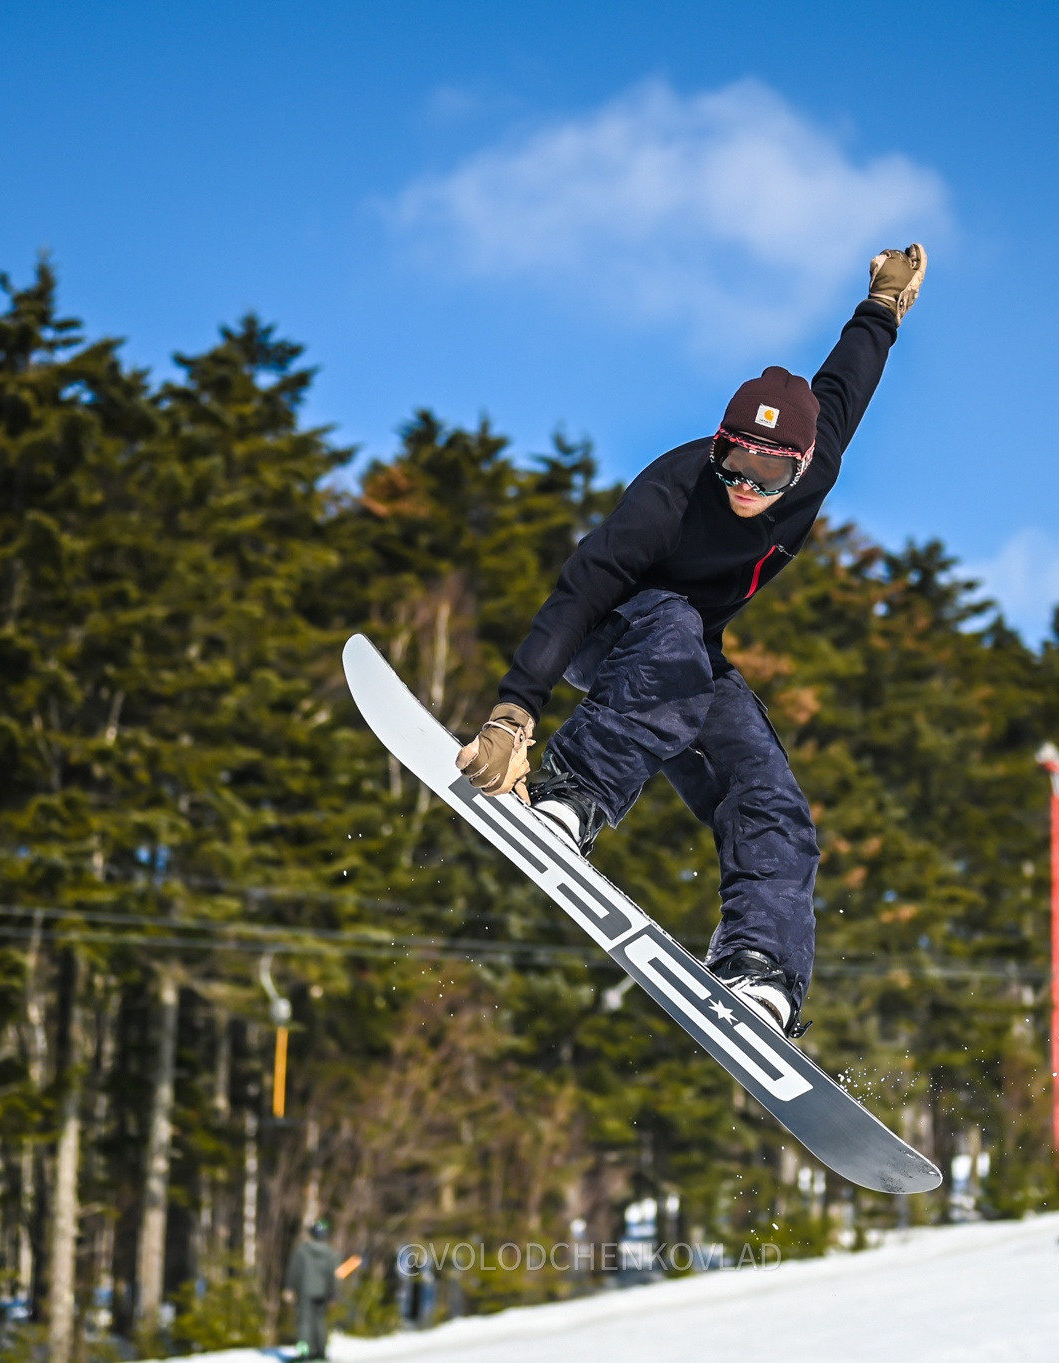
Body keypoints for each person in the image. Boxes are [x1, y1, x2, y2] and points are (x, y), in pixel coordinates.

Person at [455, 246, 927, 1039]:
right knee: (673, 628)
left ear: (802, 468)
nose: (746, 486)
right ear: (718, 445)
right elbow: (578, 591)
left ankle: (760, 967)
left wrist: (882, 305)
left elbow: (848, 377)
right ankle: (573, 797)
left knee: (768, 791)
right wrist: (513, 712)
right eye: (735, 462)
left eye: (767, 475)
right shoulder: (670, 494)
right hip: (615, 633)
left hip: (683, 663)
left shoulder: (822, 462)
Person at [284, 1217, 339, 1360]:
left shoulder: (302, 1250)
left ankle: (304, 1354)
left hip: (305, 1291)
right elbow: (333, 1276)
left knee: (304, 1323)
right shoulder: (331, 1253)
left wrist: (289, 1288)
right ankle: (321, 1353)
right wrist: (333, 1295)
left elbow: (294, 1270)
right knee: (320, 1322)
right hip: (322, 1292)